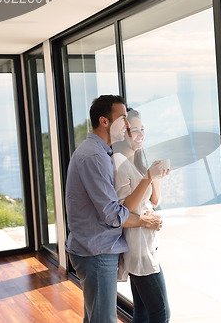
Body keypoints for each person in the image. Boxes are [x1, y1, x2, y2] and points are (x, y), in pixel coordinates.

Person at [65, 95, 163, 323]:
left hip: (92, 248)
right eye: (123, 119)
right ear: (104, 121)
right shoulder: (95, 157)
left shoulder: (99, 152)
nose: (128, 125)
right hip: (96, 251)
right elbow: (111, 214)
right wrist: (144, 221)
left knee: (95, 318)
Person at [112, 108, 170, 322]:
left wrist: (156, 176)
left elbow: (154, 201)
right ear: (120, 133)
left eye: (142, 129)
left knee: (144, 312)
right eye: (133, 130)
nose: (140, 134)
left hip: (146, 245)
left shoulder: (135, 158)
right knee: (161, 313)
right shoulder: (118, 162)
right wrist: (147, 177)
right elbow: (124, 209)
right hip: (138, 248)